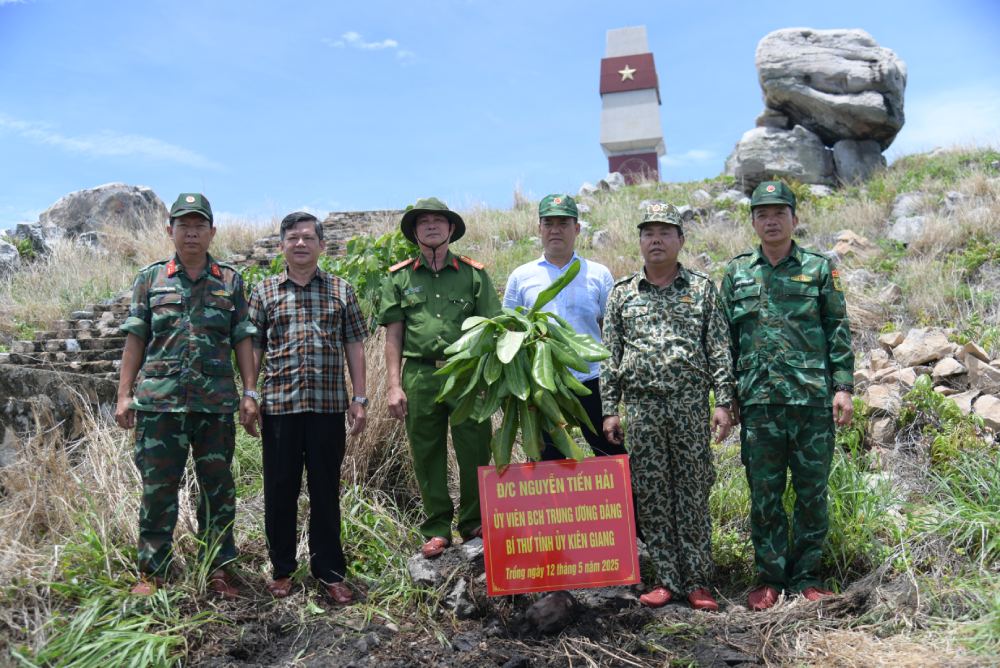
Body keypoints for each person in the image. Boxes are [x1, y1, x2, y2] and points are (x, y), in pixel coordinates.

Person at [115, 193, 258, 599]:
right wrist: (124, 395)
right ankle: (153, 572)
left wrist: (250, 392)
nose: (191, 231)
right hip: (160, 403)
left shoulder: (230, 280)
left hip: (214, 405)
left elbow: (242, 338)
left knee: (218, 489)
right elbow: (136, 338)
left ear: (212, 231)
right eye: (183, 224)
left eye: (199, 225)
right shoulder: (150, 279)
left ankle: (218, 569)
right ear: (170, 230)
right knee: (158, 488)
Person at [720, 181, 855, 611]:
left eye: (780, 212)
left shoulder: (818, 268)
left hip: (812, 401)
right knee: (765, 493)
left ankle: (807, 577)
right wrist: (727, 396)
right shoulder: (737, 272)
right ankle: (770, 577)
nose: (771, 220)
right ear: (754, 222)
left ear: (794, 219)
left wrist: (844, 387)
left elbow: (837, 328)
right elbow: (726, 341)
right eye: (762, 213)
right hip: (758, 403)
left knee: (813, 493)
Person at [601, 202, 735, 611]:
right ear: (640, 241)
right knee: (652, 493)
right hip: (641, 408)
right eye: (648, 233)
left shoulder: (701, 289)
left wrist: (724, 401)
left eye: (664, 232)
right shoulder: (622, 293)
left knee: (692, 490)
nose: (655, 240)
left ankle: (697, 580)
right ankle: (665, 579)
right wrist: (610, 408)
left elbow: (718, 348)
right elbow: (608, 354)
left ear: (680, 239)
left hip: (689, 404)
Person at [247, 211, 368, 605]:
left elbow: (354, 345)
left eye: (307, 237)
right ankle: (281, 570)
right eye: (293, 238)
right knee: (279, 490)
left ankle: (330, 572)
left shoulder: (340, 290)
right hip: (280, 408)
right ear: (282, 245)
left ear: (321, 245)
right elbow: (254, 348)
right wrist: (250, 393)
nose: (300, 243)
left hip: (328, 408)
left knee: (325, 491)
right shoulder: (264, 292)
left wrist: (360, 397)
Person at [377, 197, 500, 559]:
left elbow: (492, 329)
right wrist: (394, 385)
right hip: (419, 374)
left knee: (475, 447)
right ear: (414, 232)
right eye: (424, 221)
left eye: (439, 221)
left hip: (465, 374)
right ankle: (436, 528)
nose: (432, 225)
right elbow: (393, 335)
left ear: (450, 230)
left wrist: (487, 378)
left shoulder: (474, 274)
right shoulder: (400, 277)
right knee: (426, 451)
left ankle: (473, 521)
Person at [502, 193, 619, 461]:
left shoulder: (598, 274)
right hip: (543, 386)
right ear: (539, 228)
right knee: (549, 464)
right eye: (548, 223)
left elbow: (611, 331)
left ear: (576, 229)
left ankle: (624, 505)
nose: (555, 230)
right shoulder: (521, 277)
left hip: (591, 380)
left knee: (611, 455)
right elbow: (510, 331)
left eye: (564, 223)